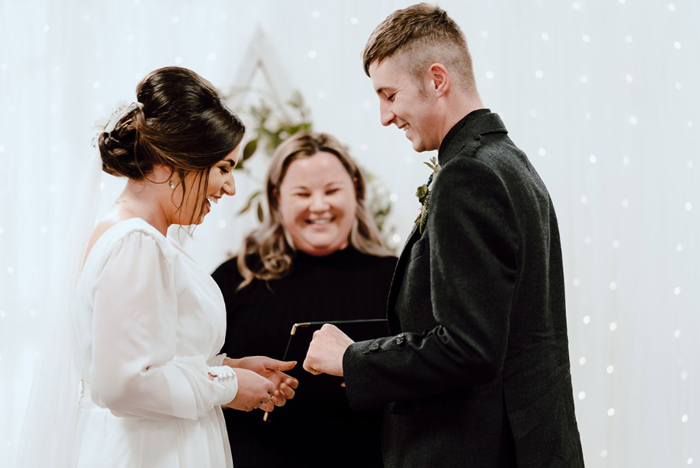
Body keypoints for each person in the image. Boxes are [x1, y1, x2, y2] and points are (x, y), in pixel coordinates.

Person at [303, 4, 585, 468]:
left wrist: (352, 359)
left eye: (389, 95)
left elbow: (468, 348)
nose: (384, 116)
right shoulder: (510, 161)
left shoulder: (467, 176)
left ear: (437, 80)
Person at [23, 67, 298, 468]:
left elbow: (151, 357)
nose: (230, 187)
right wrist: (227, 385)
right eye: (223, 167)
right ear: (175, 162)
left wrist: (227, 366)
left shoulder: (144, 238)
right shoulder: (135, 242)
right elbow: (124, 385)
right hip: (147, 452)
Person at [212, 131, 397, 467]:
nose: (319, 206)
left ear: (355, 189)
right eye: (302, 193)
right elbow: (193, 374)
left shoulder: (397, 278)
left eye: (331, 190)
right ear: (276, 196)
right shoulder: (233, 279)